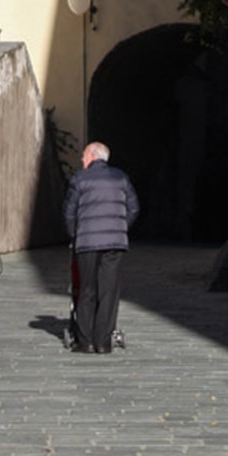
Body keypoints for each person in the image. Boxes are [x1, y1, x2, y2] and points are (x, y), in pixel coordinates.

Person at [62, 140, 140, 354]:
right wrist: (120, 227)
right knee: (109, 291)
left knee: (86, 289)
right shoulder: (121, 178)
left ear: (92, 156)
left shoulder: (80, 179)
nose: (82, 159)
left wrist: (75, 234)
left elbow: (69, 212)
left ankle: (85, 341)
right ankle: (103, 342)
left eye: (84, 155)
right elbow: (134, 208)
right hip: (115, 243)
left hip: (87, 242)